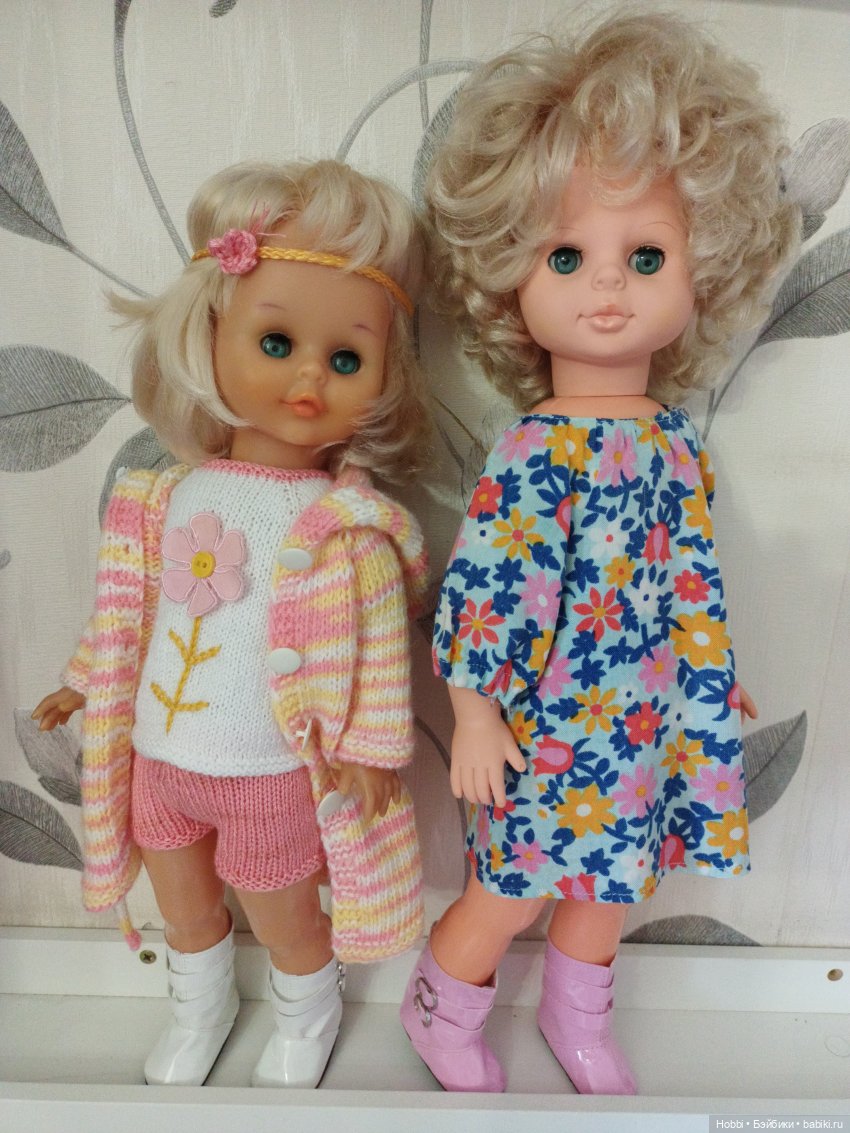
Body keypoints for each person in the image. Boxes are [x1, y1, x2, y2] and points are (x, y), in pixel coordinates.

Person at [401, 11, 798, 1095]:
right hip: (549, 717)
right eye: (567, 256)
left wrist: (707, 671)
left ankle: (578, 1012)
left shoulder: (672, 441)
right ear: (511, 278)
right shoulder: (536, 450)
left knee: (617, 875)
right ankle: (441, 1001)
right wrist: (474, 713)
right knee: (515, 878)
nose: (607, 287)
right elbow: (486, 587)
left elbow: (684, 575)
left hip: (647, 710)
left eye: (646, 256)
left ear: (704, 269)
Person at [33, 158, 428, 1089]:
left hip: (270, 773)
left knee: (283, 909)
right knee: (182, 903)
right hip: (160, 759)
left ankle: (307, 1008)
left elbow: (380, 659)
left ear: (384, 375)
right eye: (276, 341)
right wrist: (82, 680)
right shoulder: (160, 497)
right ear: (209, 334)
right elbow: (128, 612)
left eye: (346, 359)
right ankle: (198, 1004)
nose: (309, 377)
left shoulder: (347, 529)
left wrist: (373, 752)